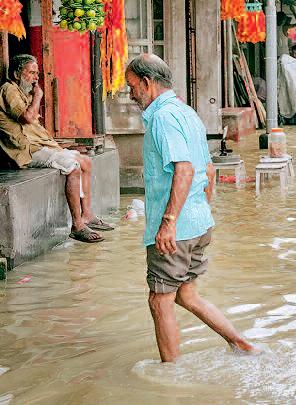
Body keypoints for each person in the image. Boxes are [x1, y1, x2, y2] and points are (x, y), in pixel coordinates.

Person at [125, 54, 256, 362]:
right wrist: (199, 211)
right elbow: (208, 171)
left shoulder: (163, 118)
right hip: (198, 224)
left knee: (160, 300)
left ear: (147, 83)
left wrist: (170, 221)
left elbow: (184, 169)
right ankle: (241, 344)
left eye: (132, 87)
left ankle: (171, 376)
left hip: (177, 229)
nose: (131, 95)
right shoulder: (187, 113)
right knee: (187, 294)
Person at [0, 54, 115, 243]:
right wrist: (38, 96)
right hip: (25, 151)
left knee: (85, 161)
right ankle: (77, 225)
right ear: (16, 74)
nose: (36, 78)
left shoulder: (21, 91)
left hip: (38, 146)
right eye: (31, 73)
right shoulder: (8, 89)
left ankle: (87, 214)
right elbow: (27, 118)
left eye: (37, 73)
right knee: (72, 166)